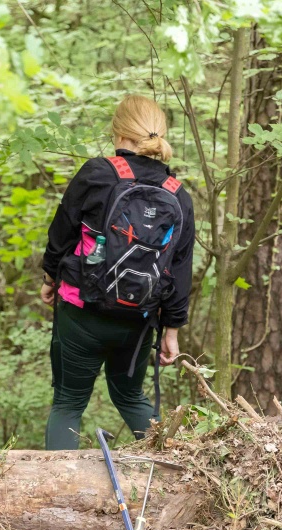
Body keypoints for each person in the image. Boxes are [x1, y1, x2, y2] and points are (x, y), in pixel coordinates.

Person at [40, 95, 195, 449]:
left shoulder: (98, 173)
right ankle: (173, 475)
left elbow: (61, 233)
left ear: (118, 132)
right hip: (138, 322)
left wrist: (50, 279)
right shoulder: (179, 195)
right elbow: (180, 268)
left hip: (82, 311)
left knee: (68, 403)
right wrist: (172, 330)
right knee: (131, 398)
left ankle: (60, 490)